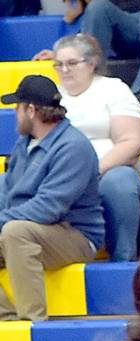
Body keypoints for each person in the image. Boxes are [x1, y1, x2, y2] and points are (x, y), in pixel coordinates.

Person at [0, 73, 104, 321]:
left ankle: (33, 322)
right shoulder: (24, 144)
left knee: (16, 232)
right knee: (14, 229)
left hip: (75, 234)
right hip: (29, 227)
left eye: (18, 107)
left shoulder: (72, 147)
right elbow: (9, 192)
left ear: (31, 110)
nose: (15, 112)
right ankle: (7, 319)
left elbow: (49, 208)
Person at [50, 32, 140, 261]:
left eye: (72, 63)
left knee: (119, 182)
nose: (64, 70)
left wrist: (92, 172)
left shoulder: (113, 89)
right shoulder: (52, 95)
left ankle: (123, 261)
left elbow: (133, 142)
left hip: (110, 171)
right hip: (63, 176)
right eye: (58, 64)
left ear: (91, 63)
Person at [34, 0, 140, 112]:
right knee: (99, 6)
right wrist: (69, 49)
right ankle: (85, 85)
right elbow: (95, 15)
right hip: (124, 20)